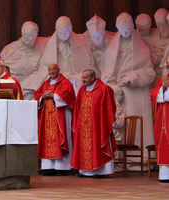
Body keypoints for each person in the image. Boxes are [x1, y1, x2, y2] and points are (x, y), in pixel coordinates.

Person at [102, 13, 156, 168]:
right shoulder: (112, 47)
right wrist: (112, 84)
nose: (125, 34)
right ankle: (119, 159)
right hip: (120, 92)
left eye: (128, 30)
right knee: (120, 126)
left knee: (137, 127)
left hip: (136, 93)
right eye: (122, 31)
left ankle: (140, 159)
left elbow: (149, 72)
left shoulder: (141, 47)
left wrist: (133, 76)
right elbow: (108, 70)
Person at [71, 69, 118, 178]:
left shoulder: (104, 89)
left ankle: (101, 171)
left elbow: (109, 107)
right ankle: (84, 171)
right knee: (84, 147)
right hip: (83, 127)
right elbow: (77, 108)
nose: (83, 80)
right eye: (82, 78)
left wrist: (104, 121)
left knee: (98, 145)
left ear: (93, 78)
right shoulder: (82, 90)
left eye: (85, 78)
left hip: (98, 125)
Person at [34, 63, 75, 175]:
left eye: (54, 69)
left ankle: (62, 168)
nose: (51, 72)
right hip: (47, 118)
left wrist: (53, 96)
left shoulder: (65, 82)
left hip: (61, 116)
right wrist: (43, 97)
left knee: (61, 138)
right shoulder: (45, 84)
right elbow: (37, 95)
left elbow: (68, 96)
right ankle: (48, 167)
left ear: (58, 70)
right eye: (50, 70)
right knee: (47, 140)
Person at [37, 16, 95, 95]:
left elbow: (88, 72)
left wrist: (75, 79)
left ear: (71, 29)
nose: (64, 35)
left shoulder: (80, 45)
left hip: (74, 84)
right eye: (61, 32)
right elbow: (43, 74)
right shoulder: (50, 46)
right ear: (56, 29)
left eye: (66, 32)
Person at [0, 21, 49, 100]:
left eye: (32, 38)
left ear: (36, 35)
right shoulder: (9, 50)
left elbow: (54, 39)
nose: (30, 40)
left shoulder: (41, 45)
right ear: (22, 33)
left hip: (34, 86)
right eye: (27, 37)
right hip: (16, 88)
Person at [150, 56, 169, 182]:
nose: (167, 64)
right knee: (164, 145)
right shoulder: (162, 80)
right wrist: (164, 88)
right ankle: (165, 174)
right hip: (164, 120)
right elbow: (154, 93)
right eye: (167, 62)